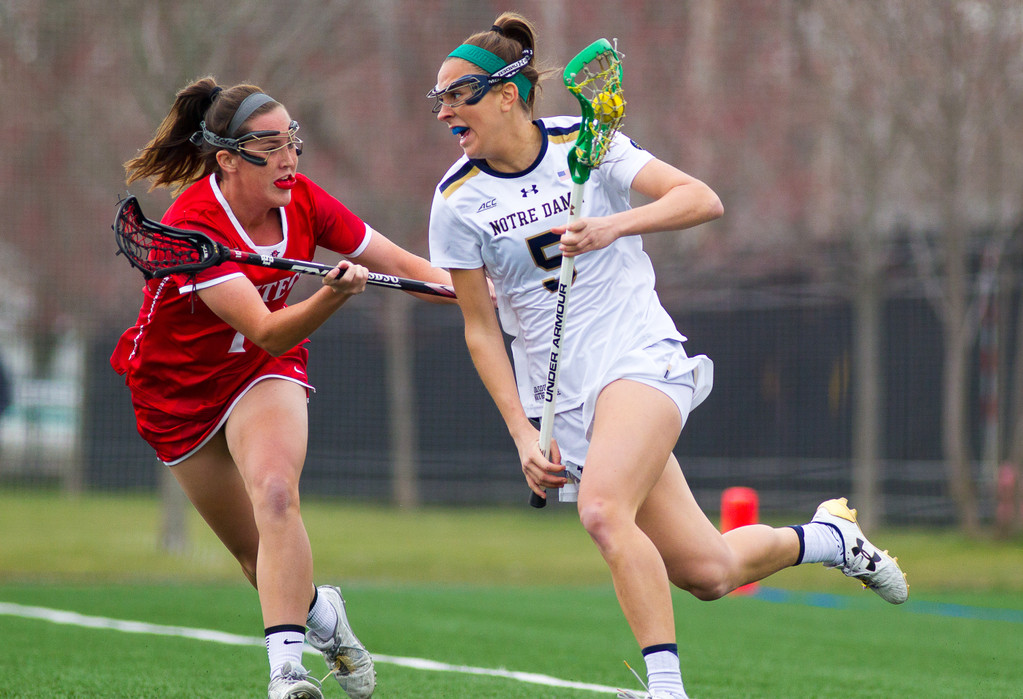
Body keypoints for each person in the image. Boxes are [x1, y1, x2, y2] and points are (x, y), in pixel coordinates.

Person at [426, 13, 908, 699]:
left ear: (507, 95)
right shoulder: (455, 201)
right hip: (562, 400)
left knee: (600, 510)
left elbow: (700, 198)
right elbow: (479, 328)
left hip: (639, 358)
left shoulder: (585, 145)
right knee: (708, 571)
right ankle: (827, 538)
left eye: (458, 94)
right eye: (437, 99)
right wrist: (518, 431)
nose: (444, 111)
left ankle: (664, 688)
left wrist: (610, 225)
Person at [113, 77, 453, 699]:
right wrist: (333, 293)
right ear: (227, 158)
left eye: (293, 141)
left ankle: (286, 677)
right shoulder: (194, 226)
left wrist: (476, 296)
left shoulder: (302, 201)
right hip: (176, 393)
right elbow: (266, 328)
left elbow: (399, 260)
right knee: (254, 558)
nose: (289, 158)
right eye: (270, 147)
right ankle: (322, 613)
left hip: (259, 375)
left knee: (275, 493)